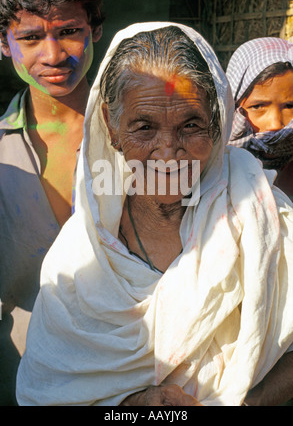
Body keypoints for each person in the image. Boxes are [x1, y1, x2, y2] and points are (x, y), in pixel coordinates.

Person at [16, 23, 293, 406]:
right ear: (112, 126)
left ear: (217, 123)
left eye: (191, 125)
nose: (168, 152)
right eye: (144, 127)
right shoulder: (80, 257)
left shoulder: (267, 217)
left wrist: (248, 402)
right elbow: (47, 391)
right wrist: (128, 408)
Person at [0, 0, 103, 405]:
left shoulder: (141, 140)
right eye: (30, 37)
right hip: (16, 375)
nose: (54, 55)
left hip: (127, 375)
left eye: (69, 31)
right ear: (4, 43)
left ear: (95, 29)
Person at [226, 37, 293, 200]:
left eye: (290, 106)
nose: (275, 124)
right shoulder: (211, 169)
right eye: (258, 107)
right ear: (234, 106)